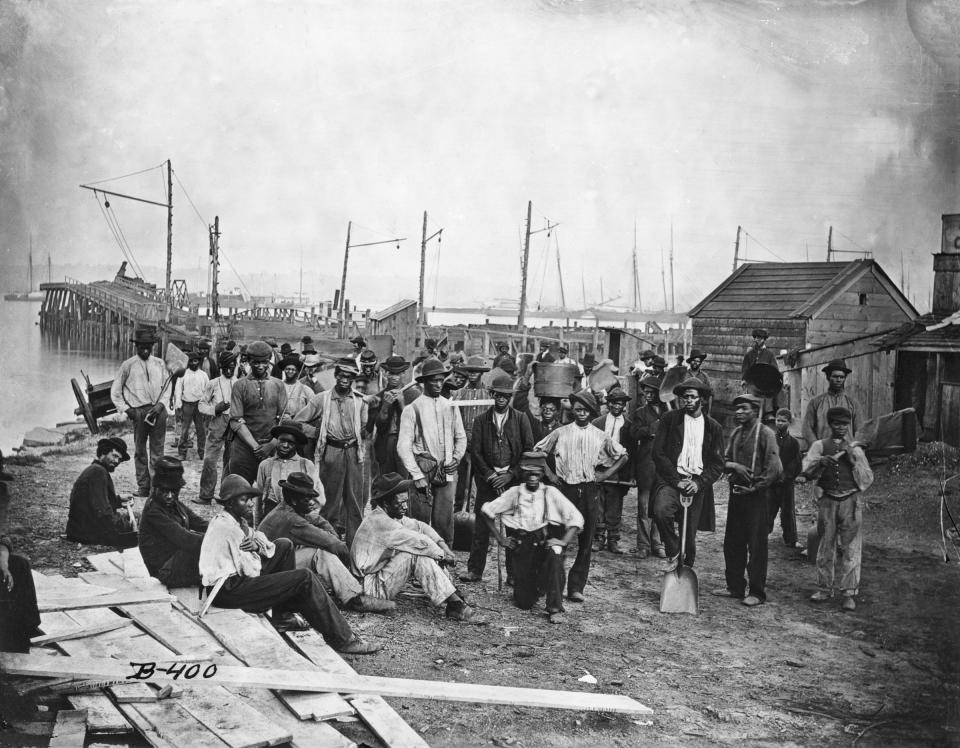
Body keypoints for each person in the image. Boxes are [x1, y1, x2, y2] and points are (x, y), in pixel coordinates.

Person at [199, 474, 380, 653]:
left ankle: (282, 616)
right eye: (244, 500)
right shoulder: (228, 529)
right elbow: (251, 569)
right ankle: (342, 639)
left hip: (238, 580)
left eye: (250, 499)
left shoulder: (237, 521)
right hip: (228, 591)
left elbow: (262, 540)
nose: (250, 504)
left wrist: (257, 545)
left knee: (284, 545)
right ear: (229, 503)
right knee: (304, 577)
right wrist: (261, 554)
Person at [534, 390, 627, 602]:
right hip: (565, 489)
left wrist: (604, 474)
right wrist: (550, 475)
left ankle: (576, 587)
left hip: (589, 490)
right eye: (577, 409)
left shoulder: (600, 435)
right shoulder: (561, 432)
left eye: (585, 410)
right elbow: (538, 452)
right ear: (572, 411)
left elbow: (622, 455)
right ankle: (553, 584)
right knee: (559, 537)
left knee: (586, 541)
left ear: (592, 412)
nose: (581, 413)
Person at [258, 472, 394, 613]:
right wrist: (350, 565)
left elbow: (318, 521)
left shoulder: (285, 509)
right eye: (307, 499)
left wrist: (331, 534)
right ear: (294, 500)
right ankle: (355, 599)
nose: (312, 503)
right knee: (321, 553)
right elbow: (335, 545)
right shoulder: (292, 520)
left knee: (319, 548)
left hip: (270, 569)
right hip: (268, 578)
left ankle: (346, 588)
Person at [351, 473, 476, 621]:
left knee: (423, 551)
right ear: (386, 503)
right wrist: (442, 555)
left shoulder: (389, 515)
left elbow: (420, 526)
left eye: (406, 502)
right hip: (368, 588)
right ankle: (454, 603)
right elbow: (418, 540)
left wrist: (443, 546)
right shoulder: (380, 522)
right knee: (415, 554)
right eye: (400, 503)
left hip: (376, 577)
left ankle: (452, 595)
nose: (405, 506)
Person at [481, 452, 584, 624]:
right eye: (528, 472)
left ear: (543, 474)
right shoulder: (514, 493)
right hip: (524, 547)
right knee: (524, 602)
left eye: (537, 473)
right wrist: (501, 539)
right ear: (521, 473)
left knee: (555, 554)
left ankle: (554, 607)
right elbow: (487, 512)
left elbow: (576, 518)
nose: (532, 477)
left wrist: (563, 541)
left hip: (545, 543)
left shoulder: (551, 492)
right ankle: (537, 587)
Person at [796, 407, 873, 611]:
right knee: (825, 546)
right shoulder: (819, 446)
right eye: (837, 424)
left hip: (851, 501)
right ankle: (824, 588)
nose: (841, 428)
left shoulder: (855, 449)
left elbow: (867, 479)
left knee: (851, 548)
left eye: (844, 424)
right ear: (830, 425)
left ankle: (848, 593)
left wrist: (852, 460)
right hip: (828, 501)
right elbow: (804, 471)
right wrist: (820, 463)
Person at [460, 373, 534, 583]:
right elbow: (476, 452)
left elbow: (528, 452)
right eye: (498, 394)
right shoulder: (481, 420)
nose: (501, 398)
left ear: (510, 397)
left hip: (512, 482)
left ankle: (514, 573)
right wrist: (491, 475)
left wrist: (510, 474)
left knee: (513, 527)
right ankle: (475, 570)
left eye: (505, 395)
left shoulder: (521, 419)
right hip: (487, 481)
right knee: (482, 526)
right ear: (491, 394)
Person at [712, 395, 781, 607]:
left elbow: (774, 468)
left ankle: (757, 592)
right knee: (733, 542)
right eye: (737, 409)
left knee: (756, 544)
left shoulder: (766, 434)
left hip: (757, 497)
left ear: (755, 410)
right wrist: (735, 466)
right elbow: (722, 461)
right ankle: (735, 587)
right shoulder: (735, 433)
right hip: (736, 494)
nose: (739, 412)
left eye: (744, 408)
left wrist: (756, 486)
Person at [651, 377, 724, 572]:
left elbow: (718, 464)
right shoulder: (670, 420)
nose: (688, 401)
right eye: (685, 398)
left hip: (696, 484)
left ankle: (685, 573)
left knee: (689, 534)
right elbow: (658, 453)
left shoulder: (713, 427)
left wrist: (699, 483)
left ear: (702, 399)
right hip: (671, 480)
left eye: (692, 397)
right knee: (661, 511)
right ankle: (674, 552)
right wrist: (676, 480)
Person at [293, 358, 369, 544]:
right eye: (342, 376)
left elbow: (365, 427)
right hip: (331, 452)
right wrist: (318, 432)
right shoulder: (322, 399)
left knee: (355, 502)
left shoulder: (359, 401)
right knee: (329, 501)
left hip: (353, 453)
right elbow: (298, 421)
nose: (345, 380)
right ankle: (328, 544)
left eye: (350, 377)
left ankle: (354, 548)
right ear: (335, 376)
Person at [397, 358, 467, 545]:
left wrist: (456, 459)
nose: (437, 384)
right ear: (424, 382)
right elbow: (403, 446)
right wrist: (417, 474)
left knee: (444, 520)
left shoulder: (450, 407)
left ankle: (444, 563)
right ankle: (419, 562)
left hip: (446, 470)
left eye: (440, 380)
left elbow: (461, 437)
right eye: (433, 380)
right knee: (418, 521)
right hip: (423, 470)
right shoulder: (413, 409)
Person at [110, 328, 171, 496]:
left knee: (158, 452)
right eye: (141, 346)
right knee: (140, 451)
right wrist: (127, 410)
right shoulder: (128, 365)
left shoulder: (159, 363)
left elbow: (168, 387)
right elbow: (115, 391)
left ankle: (156, 489)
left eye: (148, 346)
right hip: (139, 412)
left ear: (152, 346)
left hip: (158, 411)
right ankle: (144, 486)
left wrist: (161, 405)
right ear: (136, 346)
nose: (145, 349)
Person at [138, 456, 208, 587]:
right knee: (200, 549)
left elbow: (198, 522)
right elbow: (184, 538)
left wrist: (221, 528)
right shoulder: (153, 511)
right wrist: (215, 540)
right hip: (163, 571)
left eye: (174, 491)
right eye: (165, 491)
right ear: (156, 488)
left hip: (175, 561)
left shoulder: (173, 504)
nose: (170, 496)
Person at [228, 340, 286, 484]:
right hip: (244, 446)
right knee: (240, 487)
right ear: (248, 361)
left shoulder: (278, 385)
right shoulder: (239, 385)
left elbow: (285, 418)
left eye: (264, 362)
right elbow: (236, 420)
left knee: (271, 489)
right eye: (256, 362)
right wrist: (255, 447)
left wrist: (272, 444)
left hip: (271, 446)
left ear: (269, 362)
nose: (260, 366)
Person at [0, 452, 41, 653]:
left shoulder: (2, 491)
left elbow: (1, 534)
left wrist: (3, 560)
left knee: (20, 565)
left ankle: (24, 631)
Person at [66, 437, 139, 548]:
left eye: (119, 459)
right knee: (142, 521)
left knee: (136, 519)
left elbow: (94, 502)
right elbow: (104, 514)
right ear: (103, 452)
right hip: (86, 532)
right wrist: (126, 524)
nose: (116, 462)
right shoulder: (98, 472)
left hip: (78, 529)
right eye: (114, 456)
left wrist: (118, 500)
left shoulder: (95, 469)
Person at [591, 387, 634, 554]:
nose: (617, 406)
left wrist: (631, 475)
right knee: (599, 504)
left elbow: (632, 453)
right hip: (599, 467)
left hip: (618, 469)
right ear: (608, 404)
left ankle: (613, 539)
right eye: (614, 403)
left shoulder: (629, 425)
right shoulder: (597, 423)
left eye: (621, 404)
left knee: (614, 506)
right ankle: (599, 537)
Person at [630, 375, 666, 558]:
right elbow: (634, 433)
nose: (648, 396)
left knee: (660, 508)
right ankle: (643, 545)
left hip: (664, 468)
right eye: (646, 392)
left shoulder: (668, 411)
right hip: (646, 466)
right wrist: (652, 428)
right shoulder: (640, 413)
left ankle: (657, 543)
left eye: (652, 392)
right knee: (644, 508)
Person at [254, 421, 319, 519]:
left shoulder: (306, 465)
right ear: (277, 440)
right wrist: (257, 526)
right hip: (271, 516)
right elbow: (258, 499)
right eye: (282, 441)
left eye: (291, 442)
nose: (285, 445)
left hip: (297, 517)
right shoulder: (266, 465)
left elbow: (314, 500)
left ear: (296, 444)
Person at [197, 350, 237, 505]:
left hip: (234, 422)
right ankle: (205, 495)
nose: (229, 370)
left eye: (232, 367)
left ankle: (226, 495)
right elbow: (201, 405)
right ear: (221, 366)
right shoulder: (213, 383)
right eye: (226, 366)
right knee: (209, 459)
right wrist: (215, 410)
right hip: (218, 421)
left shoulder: (240, 383)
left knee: (231, 459)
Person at [451, 355, 491, 511]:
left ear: (481, 373)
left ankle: (478, 515)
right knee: (463, 481)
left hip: (482, 444)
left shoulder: (488, 393)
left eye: (476, 371)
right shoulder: (459, 394)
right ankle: (459, 513)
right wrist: (462, 439)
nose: (473, 374)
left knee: (481, 481)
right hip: (464, 443)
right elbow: (455, 420)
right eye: (471, 371)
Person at [373, 355, 419, 476]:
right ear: (386, 374)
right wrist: (385, 406)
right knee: (386, 482)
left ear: (404, 374)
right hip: (385, 444)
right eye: (391, 373)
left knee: (405, 481)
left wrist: (402, 403)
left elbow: (416, 425)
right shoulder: (379, 396)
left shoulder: (413, 395)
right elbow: (379, 425)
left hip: (406, 444)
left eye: (398, 374)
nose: (394, 377)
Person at [802, 359, 862, 447]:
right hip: (823, 453)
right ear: (828, 377)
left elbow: (860, 430)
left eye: (842, 377)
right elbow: (807, 429)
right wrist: (817, 447)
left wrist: (853, 448)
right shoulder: (816, 402)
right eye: (835, 376)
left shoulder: (853, 403)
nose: (838, 380)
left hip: (847, 452)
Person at [769, 408, 803, 548]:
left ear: (789, 422)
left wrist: (786, 476)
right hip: (770, 483)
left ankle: (791, 539)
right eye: (778, 420)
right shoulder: (770, 439)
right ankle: (760, 535)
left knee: (788, 511)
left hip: (786, 484)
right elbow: (767, 459)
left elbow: (797, 463)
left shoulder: (794, 443)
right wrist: (771, 475)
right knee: (767, 509)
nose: (780, 423)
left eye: (783, 421)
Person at [174, 351, 209, 461]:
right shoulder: (183, 374)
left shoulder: (203, 375)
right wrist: (178, 404)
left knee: (201, 430)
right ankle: (182, 452)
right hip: (187, 404)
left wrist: (206, 405)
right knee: (184, 430)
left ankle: (202, 452)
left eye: (195, 361)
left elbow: (208, 390)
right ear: (188, 362)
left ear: (198, 362)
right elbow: (178, 389)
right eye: (191, 361)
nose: (193, 363)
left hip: (199, 404)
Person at [685, 349, 712, 414]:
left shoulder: (704, 376)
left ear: (700, 362)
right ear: (690, 361)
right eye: (693, 360)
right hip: (685, 409)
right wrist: (678, 408)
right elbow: (677, 395)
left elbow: (710, 394)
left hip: (700, 410)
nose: (695, 363)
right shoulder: (684, 375)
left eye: (697, 361)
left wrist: (709, 412)